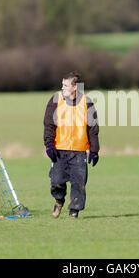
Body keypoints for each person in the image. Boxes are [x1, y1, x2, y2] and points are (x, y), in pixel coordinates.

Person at [43, 72, 100, 218]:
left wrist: (94, 150)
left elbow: (93, 129)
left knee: (79, 183)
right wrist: (49, 144)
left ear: (75, 87)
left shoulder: (87, 102)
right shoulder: (56, 99)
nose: (62, 88)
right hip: (59, 149)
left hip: (79, 150)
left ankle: (74, 211)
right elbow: (49, 124)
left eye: (66, 85)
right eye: (62, 85)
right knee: (56, 181)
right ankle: (58, 200)